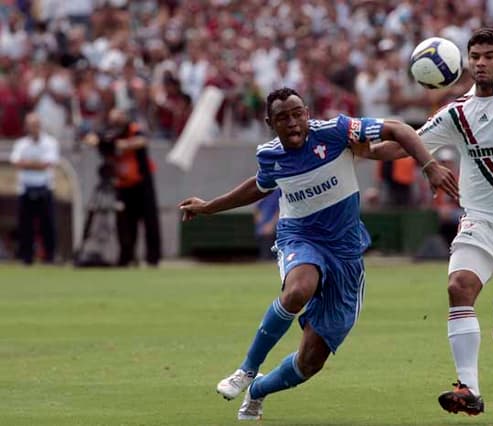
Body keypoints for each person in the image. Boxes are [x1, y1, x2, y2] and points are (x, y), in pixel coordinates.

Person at [178, 87, 458, 421]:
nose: (293, 123)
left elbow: (398, 129)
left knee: (310, 362)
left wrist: (428, 165)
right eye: (283, 118)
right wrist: (209, 207)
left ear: (307, 113)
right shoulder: (270, 154)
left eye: (298, 113)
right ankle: (246, 370)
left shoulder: (337, 131)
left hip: (345, 252)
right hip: (301, 237)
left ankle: (258, 391)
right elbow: (258, 186)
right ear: (271, 123)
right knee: (298, 289)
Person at [358, 28, 493, 415]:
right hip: (480, 221)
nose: (481, 63)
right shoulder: (457, 112)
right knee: (459, 285)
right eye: (475, 56)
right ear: (466, 61)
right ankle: (467, 388)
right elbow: (404, 144)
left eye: (490, 56)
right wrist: (361, 148)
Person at [86, 108, 162, 266]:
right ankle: (126, 257)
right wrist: (103, 142)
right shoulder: (108, 132)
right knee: (125, 223)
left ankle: (153, 258)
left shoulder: (134, 130)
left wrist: (119, 144)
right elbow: (91, 138)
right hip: (122, 184)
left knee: (150, 220)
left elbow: (141, 141)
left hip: (141, 182)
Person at [10, 112, 60, 265]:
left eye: (36, 125)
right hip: (26, 188)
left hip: (44, 188)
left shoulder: (50, 143)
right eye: (31, 125)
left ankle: (50, 256)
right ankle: (26, 257)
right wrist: (37, 164)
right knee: (26, 226)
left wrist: (28, 164)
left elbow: (48, 164)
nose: (34, 128)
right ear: (26, 127)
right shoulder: (21, 144)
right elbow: (17, 163)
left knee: (48, 225)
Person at [253, 188, 280, 261]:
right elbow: (257, 209)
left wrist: (271, 225)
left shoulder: (278, 192)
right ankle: (264, 259)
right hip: (263, 226)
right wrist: (260, 223)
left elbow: (280, 211)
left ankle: (270, 260)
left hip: (277, 226)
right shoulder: (263, 190)